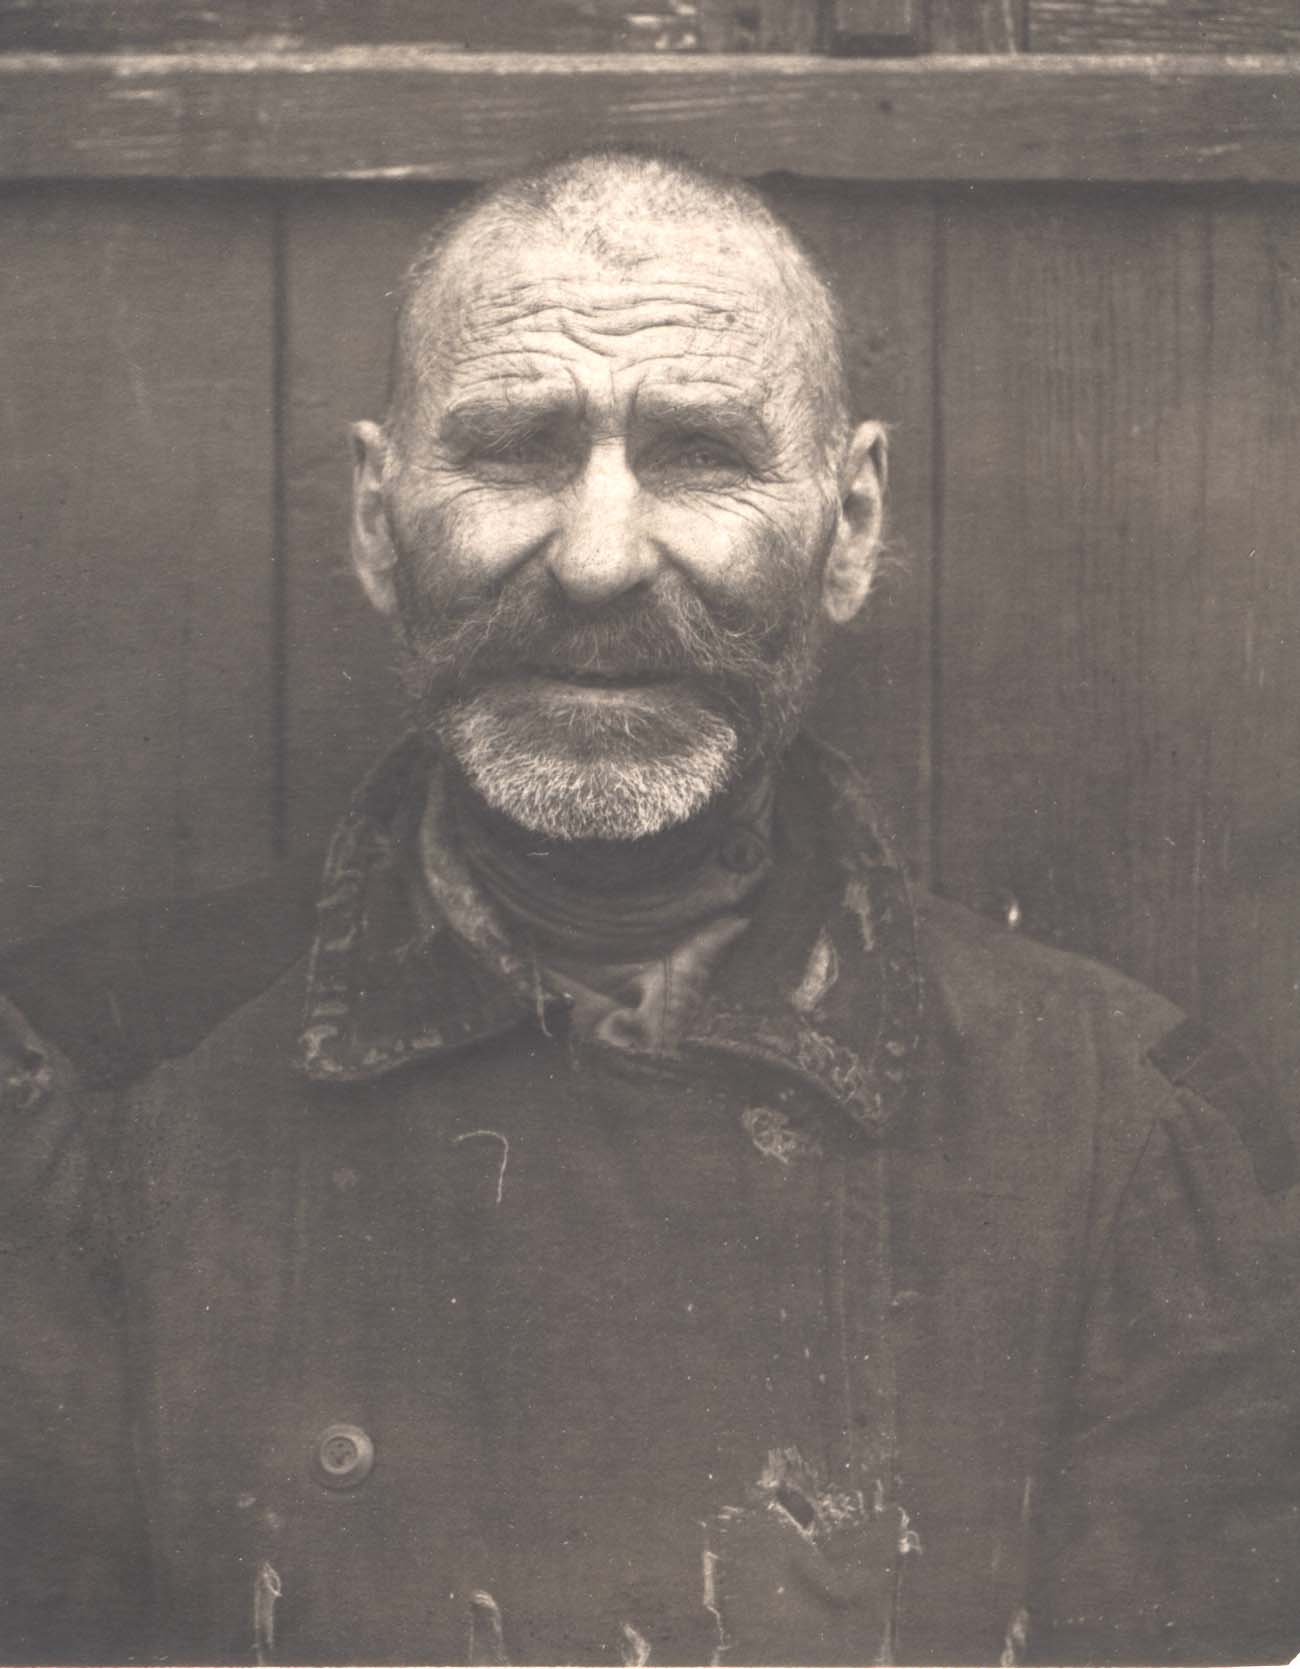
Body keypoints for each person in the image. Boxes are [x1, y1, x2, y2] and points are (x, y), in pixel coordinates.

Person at [2, 146, 1298, 1668]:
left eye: (697, 456)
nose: (600, 560)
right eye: (513, 452)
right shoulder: (88, 1104)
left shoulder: (1122, 1140)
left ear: (851, 524)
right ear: (374, 517)